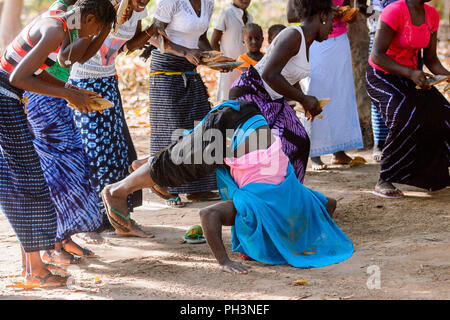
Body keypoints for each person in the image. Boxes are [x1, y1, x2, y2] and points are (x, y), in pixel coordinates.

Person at [101, 100, 354, 274]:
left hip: (250, 120)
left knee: (185, 157)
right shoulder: (253, 205)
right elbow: (207, 214)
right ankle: (117, 191)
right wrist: (223, 261)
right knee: (181, 165)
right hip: (230, 129)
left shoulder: (298, 197)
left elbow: (329, 204)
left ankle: (148, 164)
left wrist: (303, 230)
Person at [0, 0, 116, 287]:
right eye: (96, 28)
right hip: (5, 98)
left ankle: (33, 268)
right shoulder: (55, 30)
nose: (92, 34)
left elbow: (36, 71)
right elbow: (18, 77)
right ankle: (35, 272)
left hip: (9, 98)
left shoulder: (58, 22)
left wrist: (67, 89)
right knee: (30, 185)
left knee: (28, 184)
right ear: (88, 17)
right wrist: (66, 96)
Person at [68, 0, 153, 236]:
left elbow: (127, 47)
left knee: (116, 150)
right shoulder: (99, 7)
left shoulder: (138, 10)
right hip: (83, 82)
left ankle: (118, 218)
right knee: (94, 151)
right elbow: (74, 49)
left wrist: (152, 30)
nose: (144, 2)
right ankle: (92, 221)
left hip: (108, 82)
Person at [230, 0, 335, 183]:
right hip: (252, 93)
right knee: (271, 148)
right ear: (323, 17)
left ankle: (288, 193)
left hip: (271, 97)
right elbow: (270, 74)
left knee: (300, 141)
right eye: (333, 21)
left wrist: (304, 101)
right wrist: (303, 98)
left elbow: (289, 76)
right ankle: (266, 194)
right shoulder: (293, 36)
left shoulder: (306, 41)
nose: (333, 28)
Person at [138, 0, 220, 209]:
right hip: (166, 68)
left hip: (189, 67)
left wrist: (215, 59)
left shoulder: (208, 3)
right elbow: (155, 36)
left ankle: (197, 187)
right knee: (170, 130)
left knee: (198, 126)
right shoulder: (171, 1)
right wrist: (184, 52)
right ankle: (161, 182)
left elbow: (200, 37)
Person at [366, 0, 450, 198]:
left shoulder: (431, 15)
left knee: (444, 113)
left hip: (411, 75)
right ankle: (384, 179)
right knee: (405, 115)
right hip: (382, 76)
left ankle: (432, 176)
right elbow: (377, 56)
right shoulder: (394, 11)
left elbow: (430, 59)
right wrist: (410, 73)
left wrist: (447, 76)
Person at [294, 0, 363, 171]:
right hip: (316, 39)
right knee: (316, 90)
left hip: (339, 39)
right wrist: (324, 9)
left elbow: (350, 15)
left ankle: (338, 150)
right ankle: (314, 152)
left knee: (341, 93)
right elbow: (293, 15)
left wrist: (347, 14)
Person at [211, 0, 253, 102]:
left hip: (245, 65)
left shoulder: (250, 17)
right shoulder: (227, 14)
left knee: (244, 98)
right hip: (228, 66)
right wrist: (221, 60)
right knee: (227, 98)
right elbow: (214, 41)